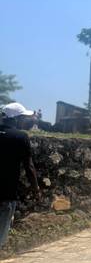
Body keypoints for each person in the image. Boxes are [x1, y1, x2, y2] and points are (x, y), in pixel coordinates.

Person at [0, 102, 40, 249]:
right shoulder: (20, 137)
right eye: (23, 117)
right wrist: (36, 189)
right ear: (16, 119)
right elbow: (29, 167)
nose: (25, 121)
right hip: (6, 193)